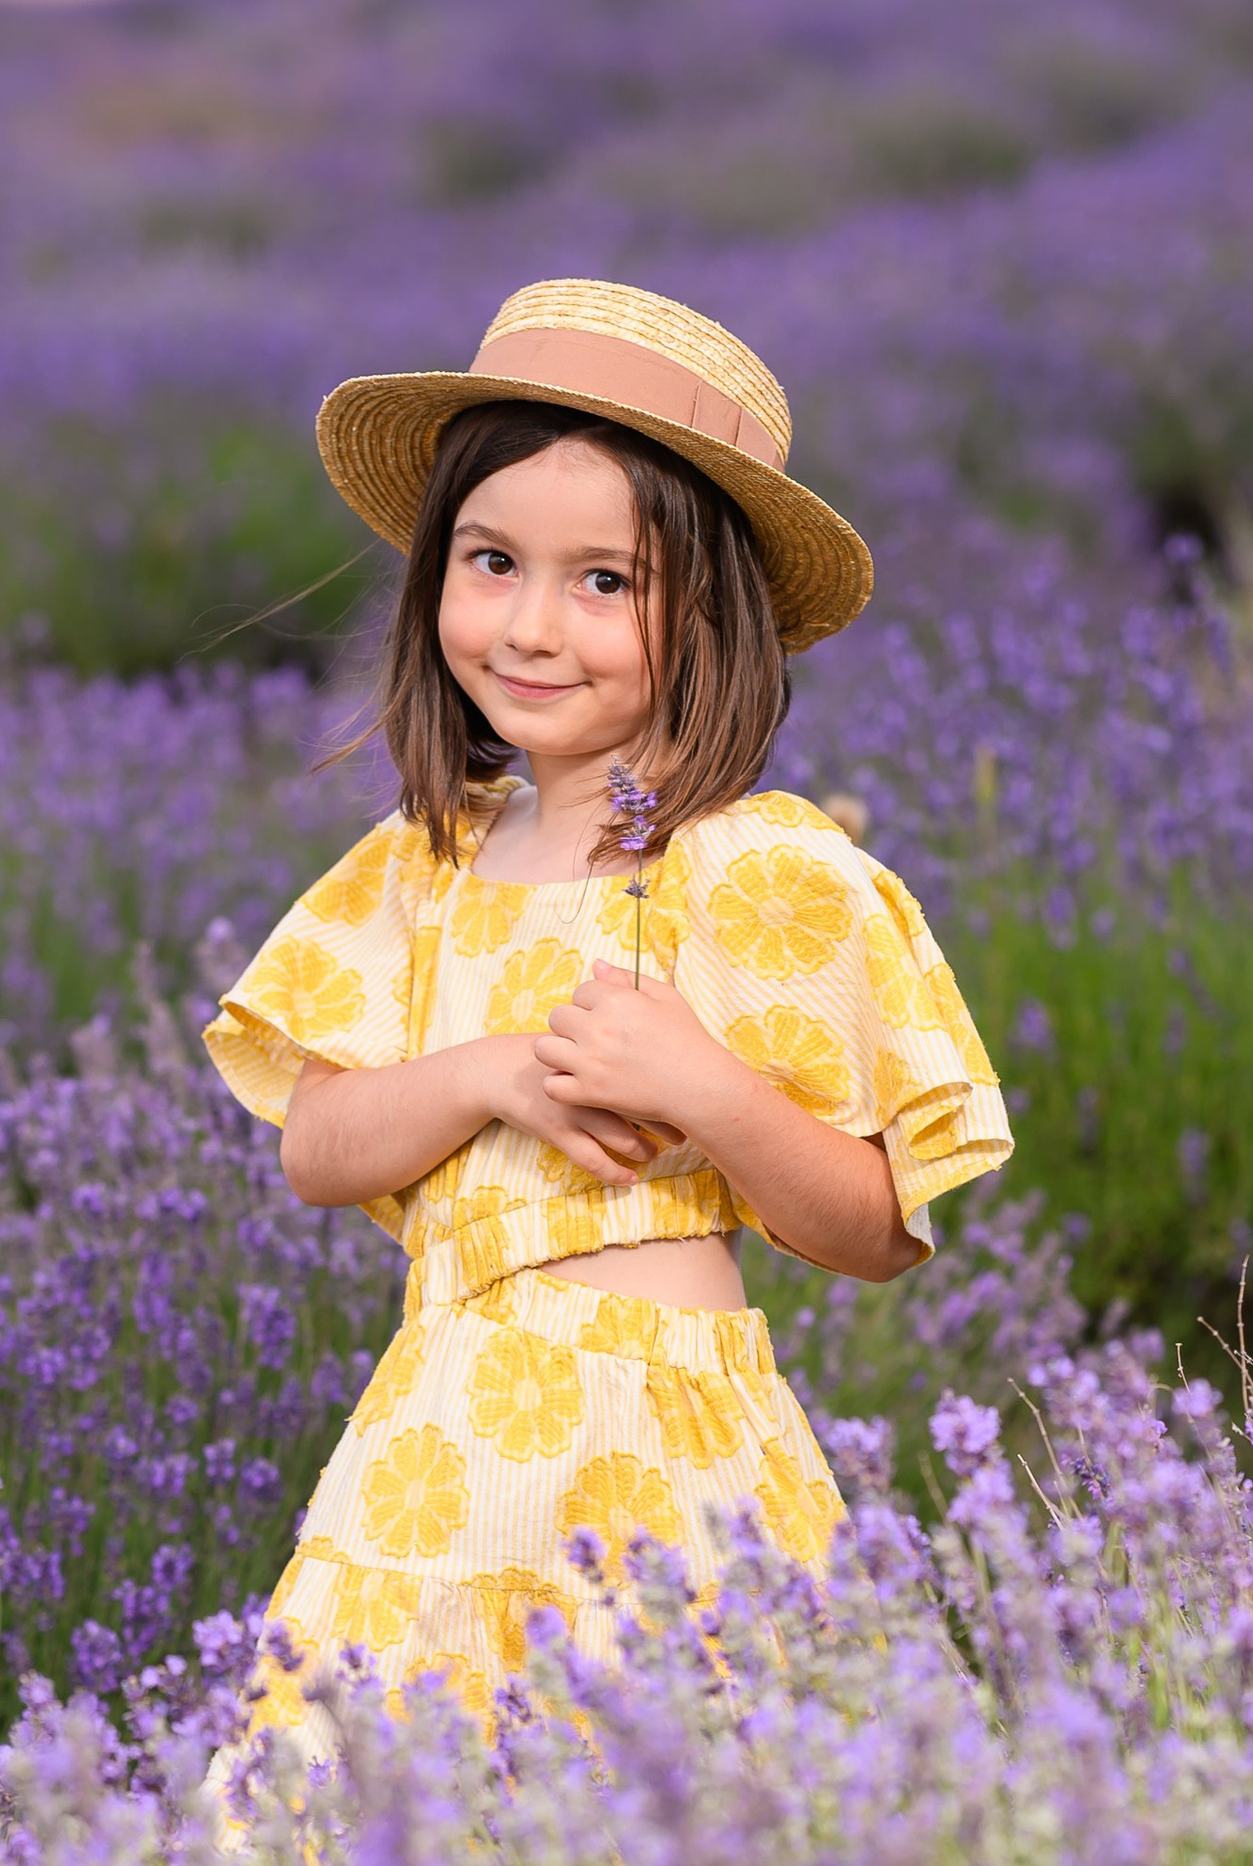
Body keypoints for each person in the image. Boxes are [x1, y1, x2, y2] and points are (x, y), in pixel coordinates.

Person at [204, 277, 1012, 1740]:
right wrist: (492, 1071)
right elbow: (316, 1145)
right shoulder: (424, 861)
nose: (529, 625)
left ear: (710, 619)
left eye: (605, 583)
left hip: (666, 1449)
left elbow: (880, 1227)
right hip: (443, 1446)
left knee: (682, 1829)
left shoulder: (760, 868)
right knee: (364, 1838)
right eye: (491, 560)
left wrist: (708, 1088)